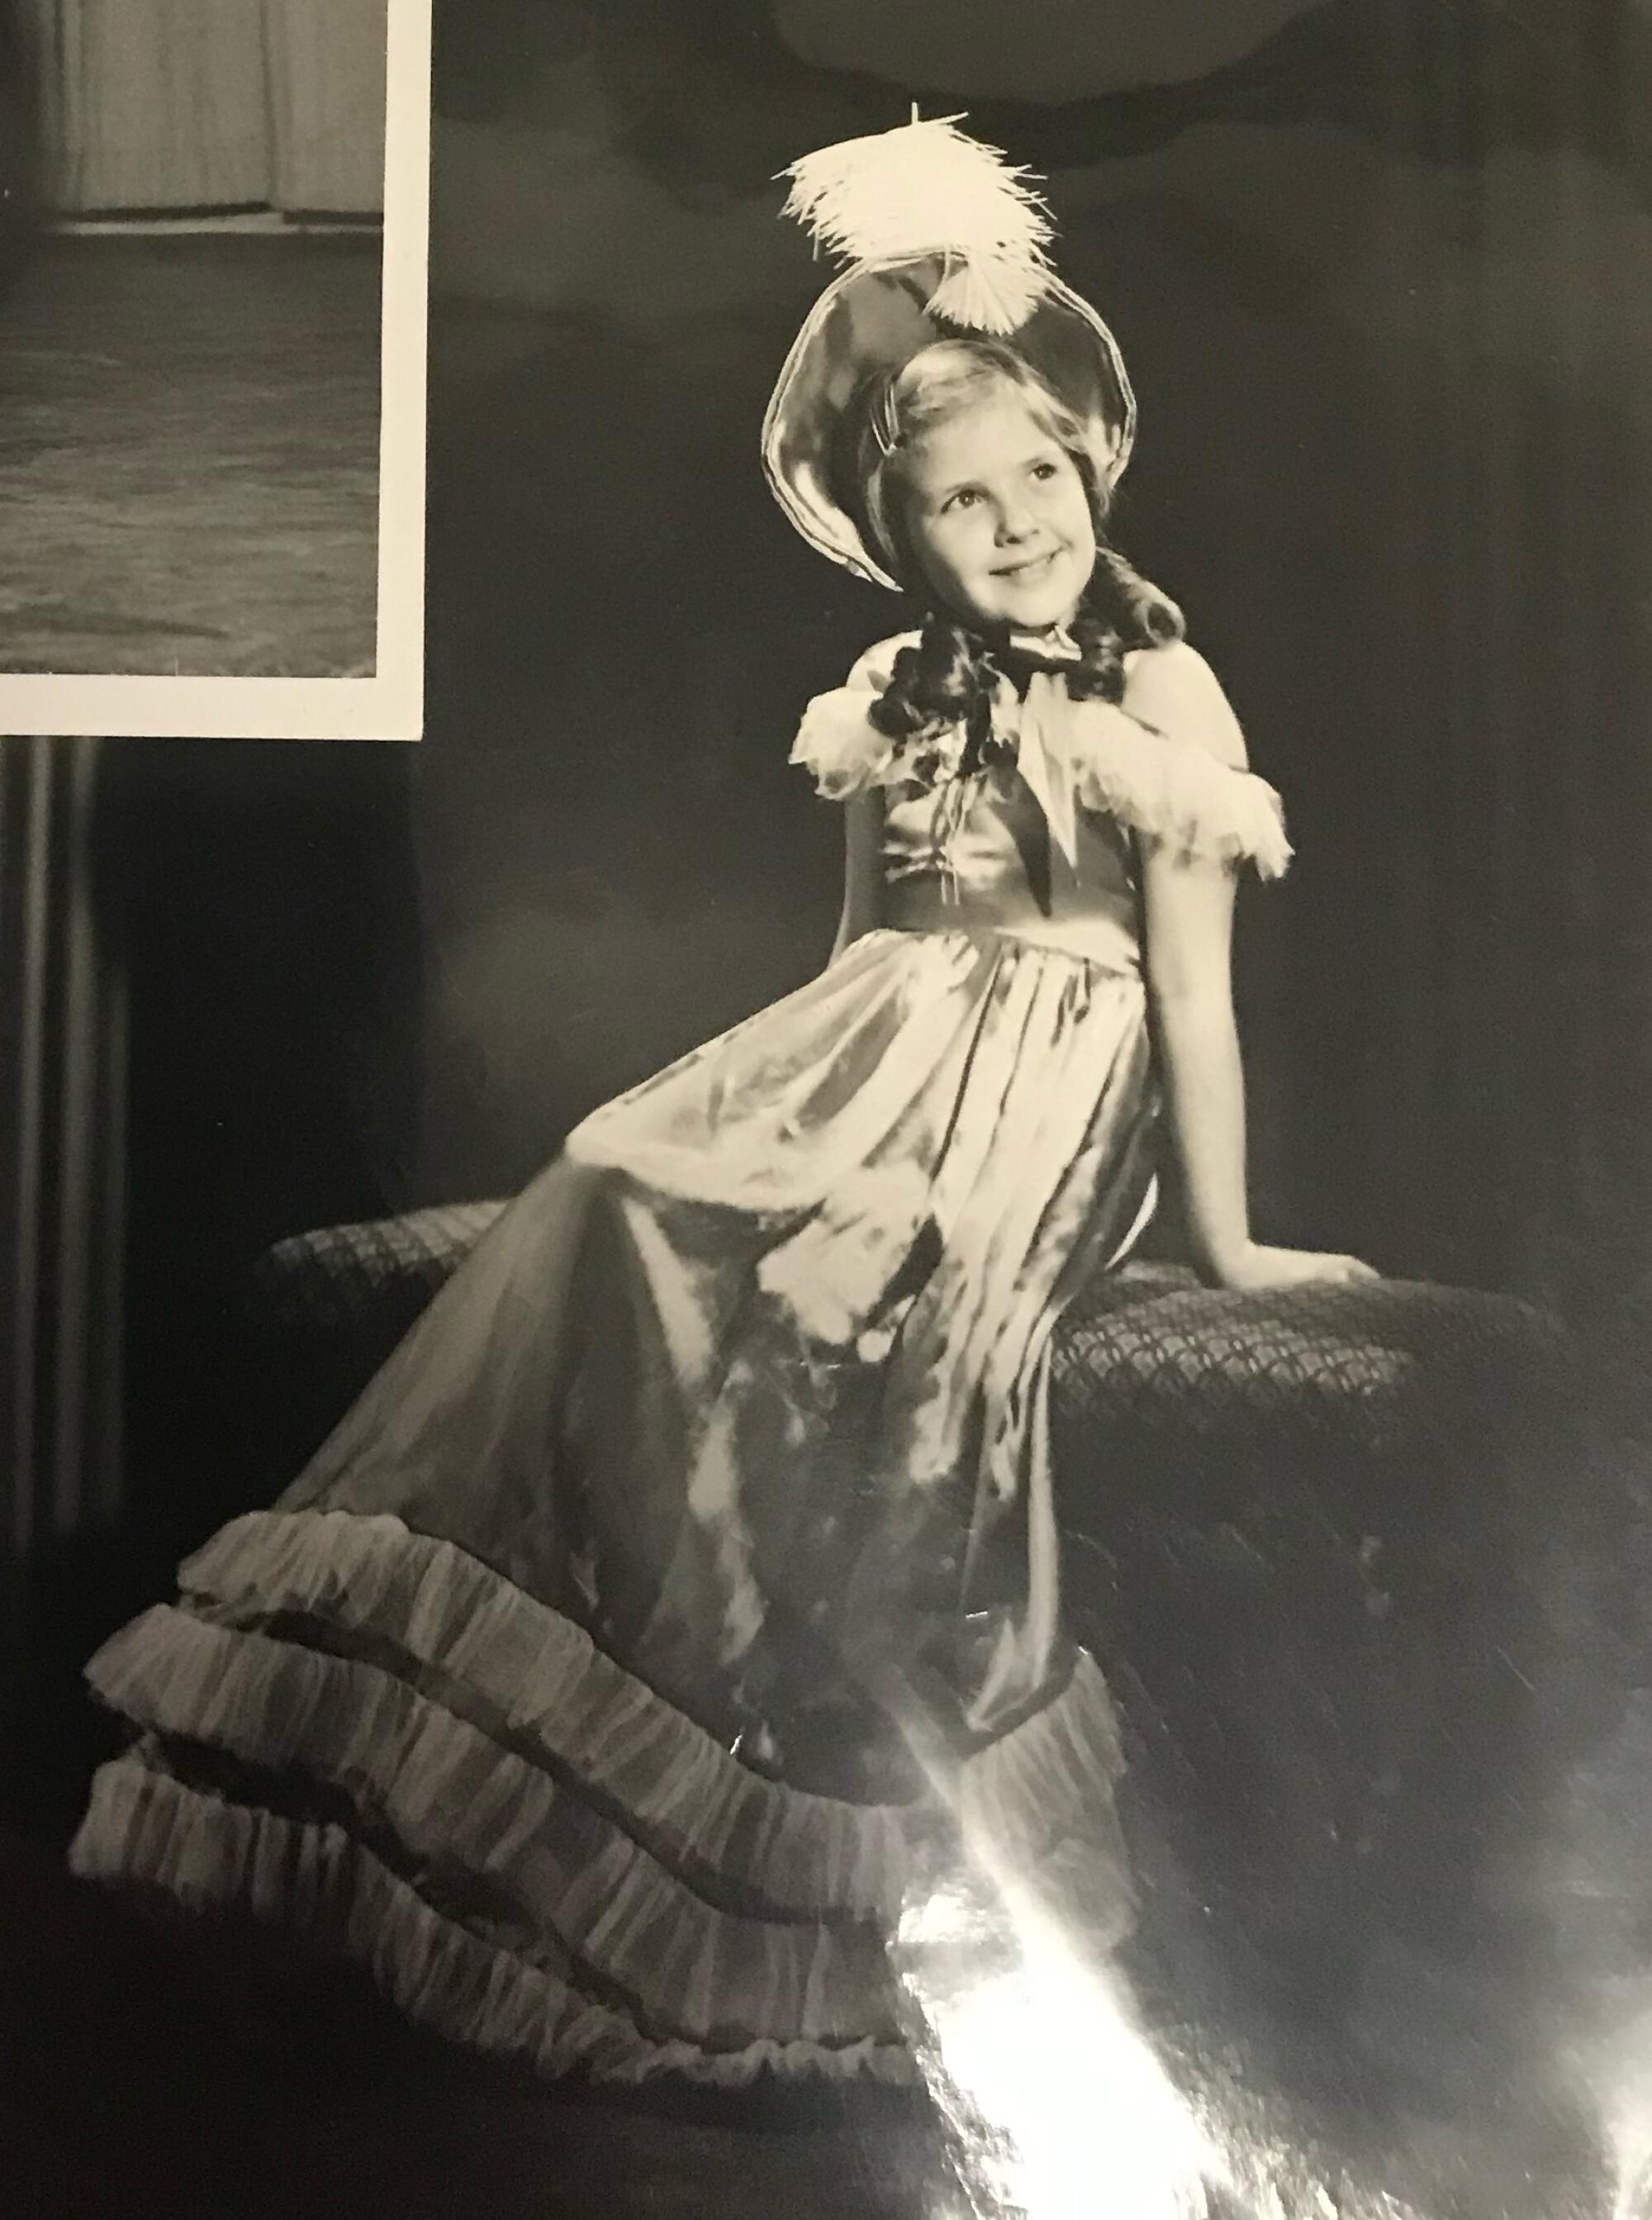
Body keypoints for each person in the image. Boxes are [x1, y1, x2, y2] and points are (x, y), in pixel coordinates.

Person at [69, 120, 1374, 2088]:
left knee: (897, 1266)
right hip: (881, 1041)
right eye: (960, 502)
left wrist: (1229, 1237)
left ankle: (864, 1884)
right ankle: (577, 1704)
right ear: (895, 527)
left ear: (1091, 468)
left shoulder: (1161, 698)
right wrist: (763, 1112)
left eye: (1041, 476)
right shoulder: (887, 696)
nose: (1018, 523)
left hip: (1052, 1084)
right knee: (612, 1168)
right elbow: (850, 956)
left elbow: (1187, 990)